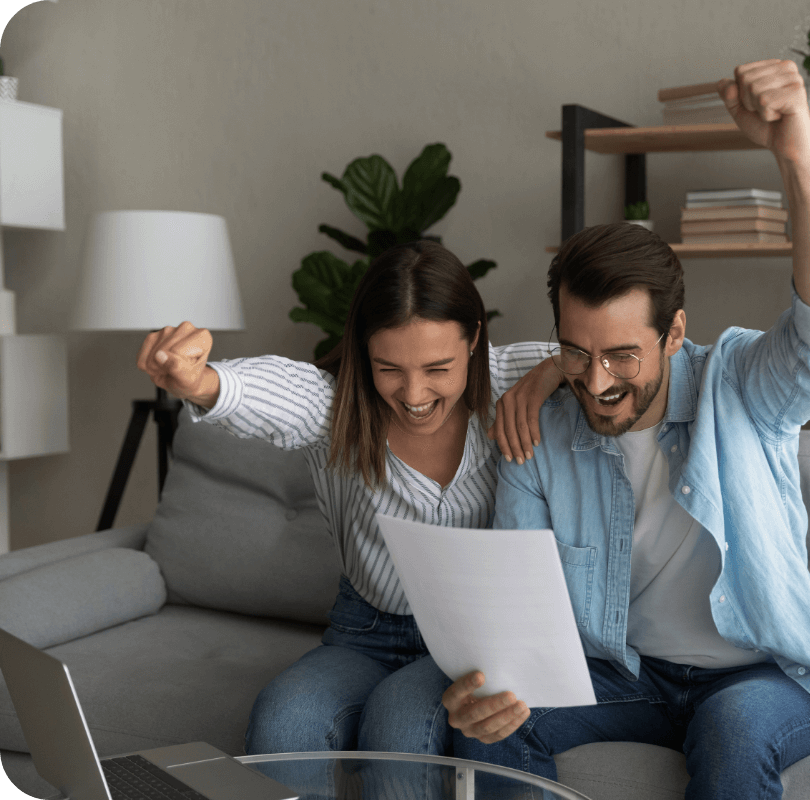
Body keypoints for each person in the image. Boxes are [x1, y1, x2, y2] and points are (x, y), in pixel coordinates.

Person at [361, 59, 810, 799]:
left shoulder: (739, 384)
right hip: (622, 673)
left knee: (733, 735)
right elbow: (519, 604)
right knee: (492, 728)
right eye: (576, 352)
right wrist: (495, 686)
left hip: (754, 677)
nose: (599, 380)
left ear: (675, 332)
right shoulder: (539, 429)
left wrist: (798, 151)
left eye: (622, 355)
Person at [136, 240, 562, 790]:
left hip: (472, 641)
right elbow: (266, 391)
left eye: (438, 368)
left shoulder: (512, 377)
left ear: (475, 337)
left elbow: (623, 355)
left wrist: (556, 370)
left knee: (402, 731)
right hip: (368, 632)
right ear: (363, 352)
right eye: (389, 368)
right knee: (282, 719)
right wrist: (197, 382)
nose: (413, 394)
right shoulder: (332, 406)